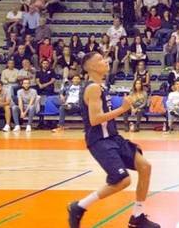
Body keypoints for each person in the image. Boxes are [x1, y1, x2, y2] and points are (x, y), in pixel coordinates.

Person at [67, 52, 159, 228]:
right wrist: (123, 109)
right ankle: (79, 206)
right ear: (92, 66)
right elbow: (95, 119)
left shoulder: (102, 86)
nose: (106, 61)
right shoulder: (92, 88)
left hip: (113, 137)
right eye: (101, 59)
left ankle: (137, 217)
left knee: (145, 167)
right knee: (123, 180)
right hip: (99, 141)